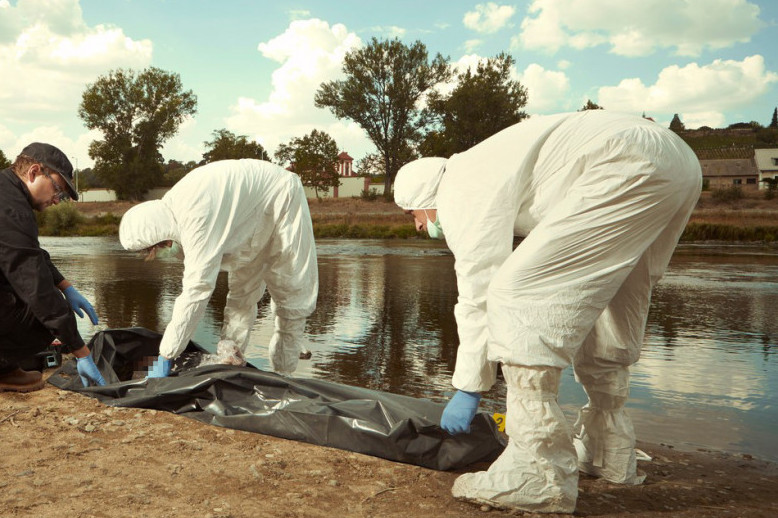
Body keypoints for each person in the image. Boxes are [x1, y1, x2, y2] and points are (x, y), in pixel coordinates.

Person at [394, 111, 701, 513]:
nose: (417, 226)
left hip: (623, 161)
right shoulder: (487, 165)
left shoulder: (460, 188)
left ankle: (537, 474)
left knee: (515, 296)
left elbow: (479, 290)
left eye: (412, 215)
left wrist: (469, 385)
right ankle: (608, 451)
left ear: (424, 198)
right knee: (616, 297)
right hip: (678, 160)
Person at [119, 159, 318, 378]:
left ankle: (284, 374)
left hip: (282, 197)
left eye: (162, 245)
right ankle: (229, 360)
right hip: (249, 217)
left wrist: (166, 356)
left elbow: (197, 290)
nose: (167, 248)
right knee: (242, 294)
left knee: (291, 292)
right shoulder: (172, 209)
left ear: (159, 231)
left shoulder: (195, 219)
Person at [0, 143, 105, 392]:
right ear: (34, 172)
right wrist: (81, 351)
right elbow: (36, 286)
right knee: (45, 318)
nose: (58, 200)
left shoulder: (7, 192)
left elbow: (31, 253)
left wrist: (66, 286)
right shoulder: (11, 209)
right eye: (58, 189)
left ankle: (5, 369)